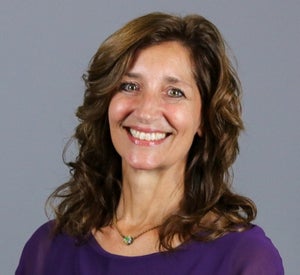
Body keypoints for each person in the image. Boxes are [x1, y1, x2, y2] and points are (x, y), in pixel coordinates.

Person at [16, 12, 284, 274]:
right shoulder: (48, 249)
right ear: (106, 102)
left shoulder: (244, 257)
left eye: (174, 92)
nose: (146, 111)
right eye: (130, 86)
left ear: (204, 119)